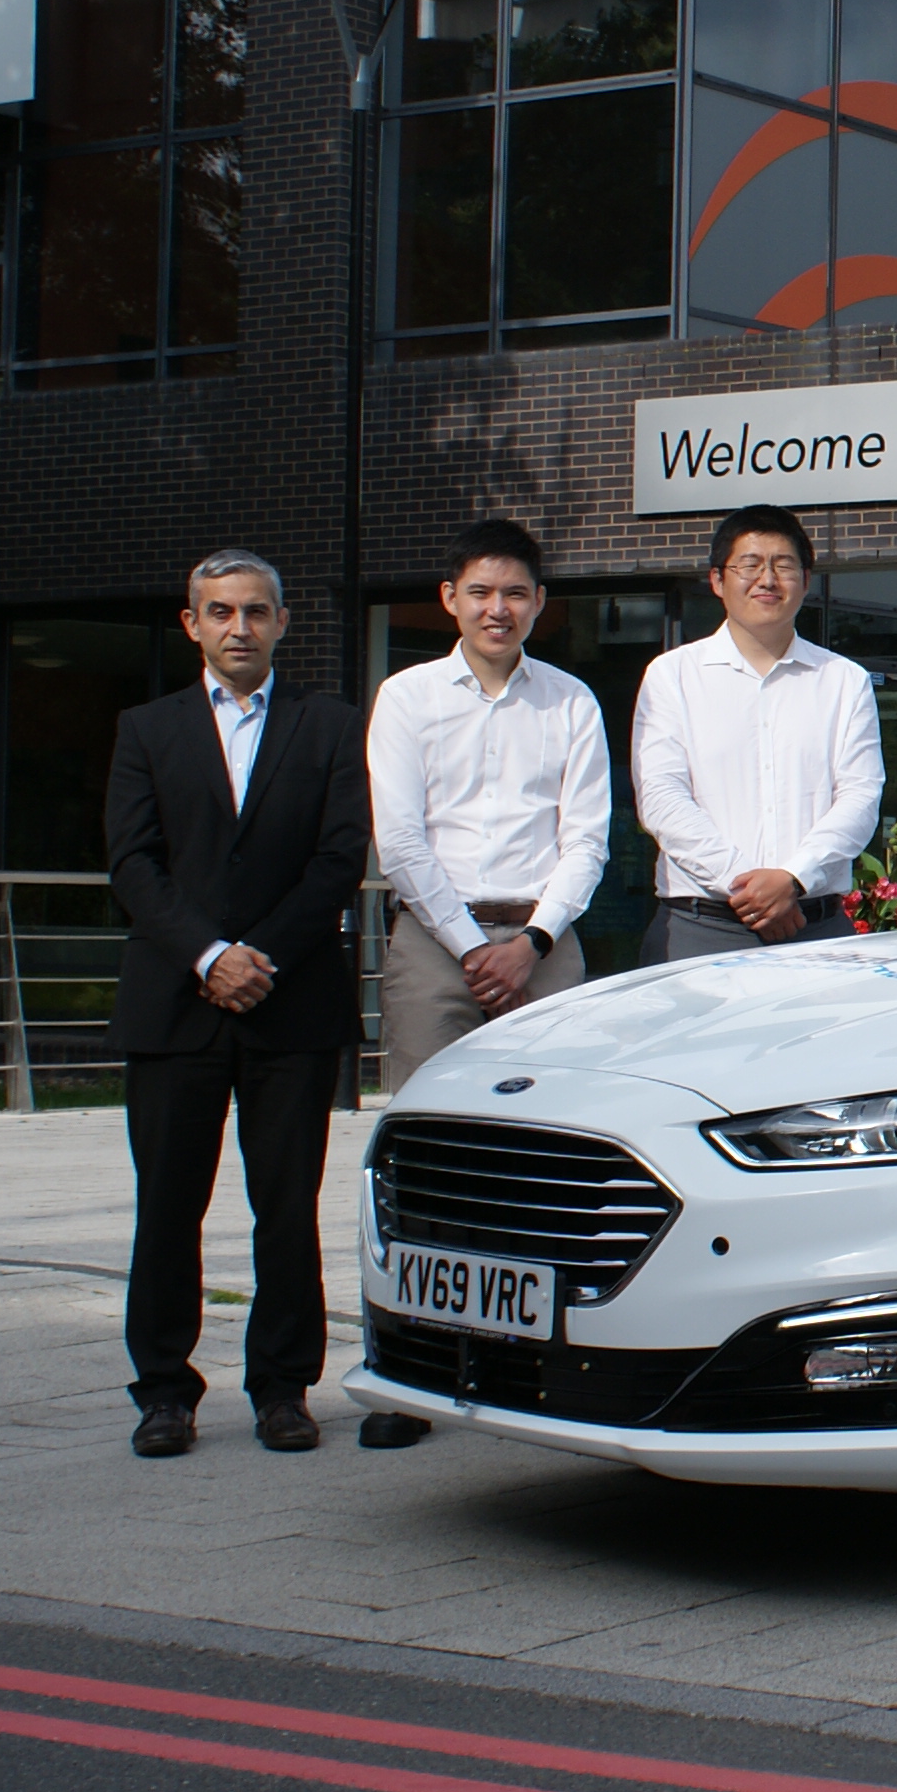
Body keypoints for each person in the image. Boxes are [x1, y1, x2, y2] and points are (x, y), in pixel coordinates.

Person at [103, 549, 369, 1458]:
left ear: (282, 622)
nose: (239, 628)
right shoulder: (146, 728)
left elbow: (339, 859)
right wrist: (212, 955)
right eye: (220, 612)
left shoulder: (330, 726)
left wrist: (262, 958)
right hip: (176, 1004)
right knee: (168, 1207)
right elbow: (133, 865)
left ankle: (283, 1387)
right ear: (193, 623)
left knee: (285, 1207)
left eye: (256, 612)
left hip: (292, 1003)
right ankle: (164, 1393)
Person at [358, 515, 611, 1452]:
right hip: (437, 937)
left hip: (546, 942)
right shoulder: (408, 698)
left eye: (516, 593)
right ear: (450, 601)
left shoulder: (571, 702)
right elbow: (402, 840)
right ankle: (405, 1370)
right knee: (419, 1153)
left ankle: (547, 1361)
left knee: (561, 1155)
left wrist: (534, 937)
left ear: (539, 605)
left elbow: (587, 838)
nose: (498, 608)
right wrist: (475, 946)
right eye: (481, 592)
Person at [631, 504, 885, 962]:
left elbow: (861, 797)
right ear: (717, 581)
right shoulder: (673, 675)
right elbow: (662, 797)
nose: (767, 579)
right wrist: (748, 886)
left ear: (806, 582)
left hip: (814, 929)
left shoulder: (844, 680)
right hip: (699, 930)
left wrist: (792, 878)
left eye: (783, 565)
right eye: (749, 564)